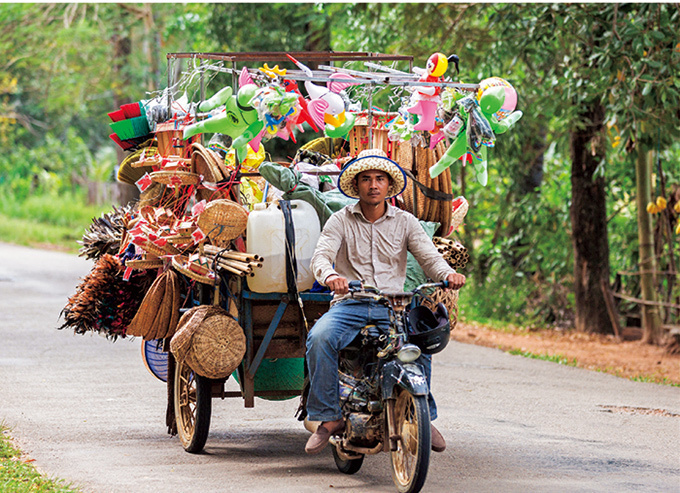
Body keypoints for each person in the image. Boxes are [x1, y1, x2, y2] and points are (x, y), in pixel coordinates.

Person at [304, 148, 466, 454]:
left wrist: (448, 274)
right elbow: (321, 255)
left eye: (380, 178)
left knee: (419, 343)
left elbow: (429, 257)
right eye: (366, 179)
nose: (373, 185)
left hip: (393, 306)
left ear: (389, 186)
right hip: (349, 304)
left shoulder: (406, 222)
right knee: (320, 338)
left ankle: (422, 415)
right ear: (358, 185)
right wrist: (329, 276)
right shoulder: (340, 220)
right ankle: (328, 418)